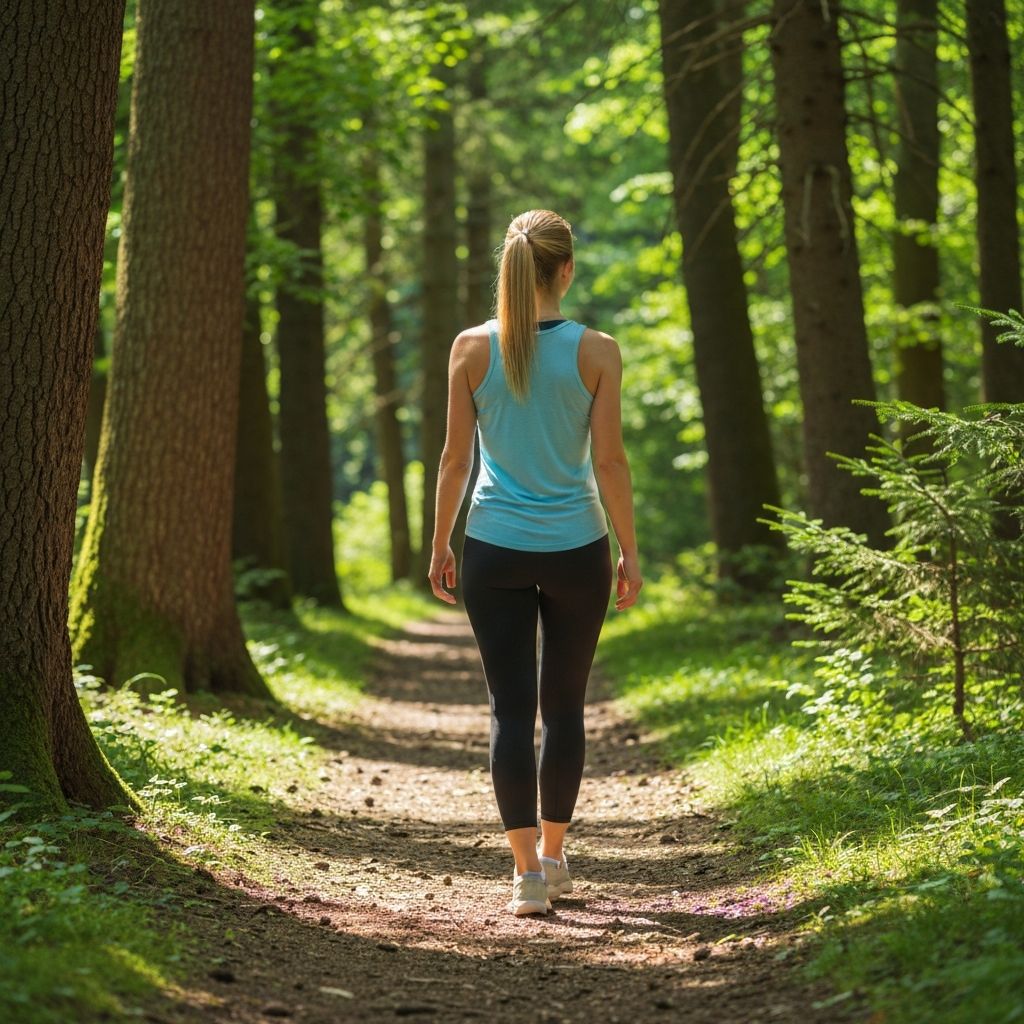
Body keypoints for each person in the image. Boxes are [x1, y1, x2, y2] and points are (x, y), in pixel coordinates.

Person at [427, 208, 642, 917]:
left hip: (494, 548)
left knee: (510, 709)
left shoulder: (470, 348)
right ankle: (553, 856)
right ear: (566, 269)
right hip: (579, 548)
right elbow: (610, 463)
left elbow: (454, 461)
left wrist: (441, 543)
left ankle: (525, 878)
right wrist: (629, 551)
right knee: (565, 707)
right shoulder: (598, 351)